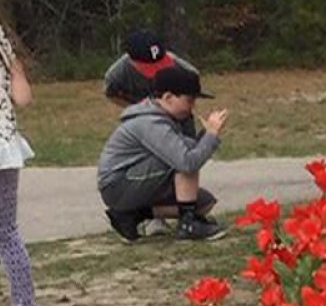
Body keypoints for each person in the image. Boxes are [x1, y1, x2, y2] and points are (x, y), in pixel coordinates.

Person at [97, 63, 229, 243]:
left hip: (131, 182)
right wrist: (211, 135)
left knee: (203, 203)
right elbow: (187, 162)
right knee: (184, 161)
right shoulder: (150, 123)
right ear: (167, 97)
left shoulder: (164, 118)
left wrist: (206, 135)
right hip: (118, 184)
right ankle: (188, 226)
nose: (193, 107)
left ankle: (131, 217)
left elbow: (188, 152)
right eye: (189, 100)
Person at [0, 10, 45, 306]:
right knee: (7, 231)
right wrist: (16, 68)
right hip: (4, 146)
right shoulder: (0, 39)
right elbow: (23, 98)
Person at [103, 29, 199, 108]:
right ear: (132, 60)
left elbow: (193, 76)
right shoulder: (118, 73)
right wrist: (135, 108)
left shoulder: (175, 63)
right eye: (149, 66)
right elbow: (111, 93)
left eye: (160, 63)